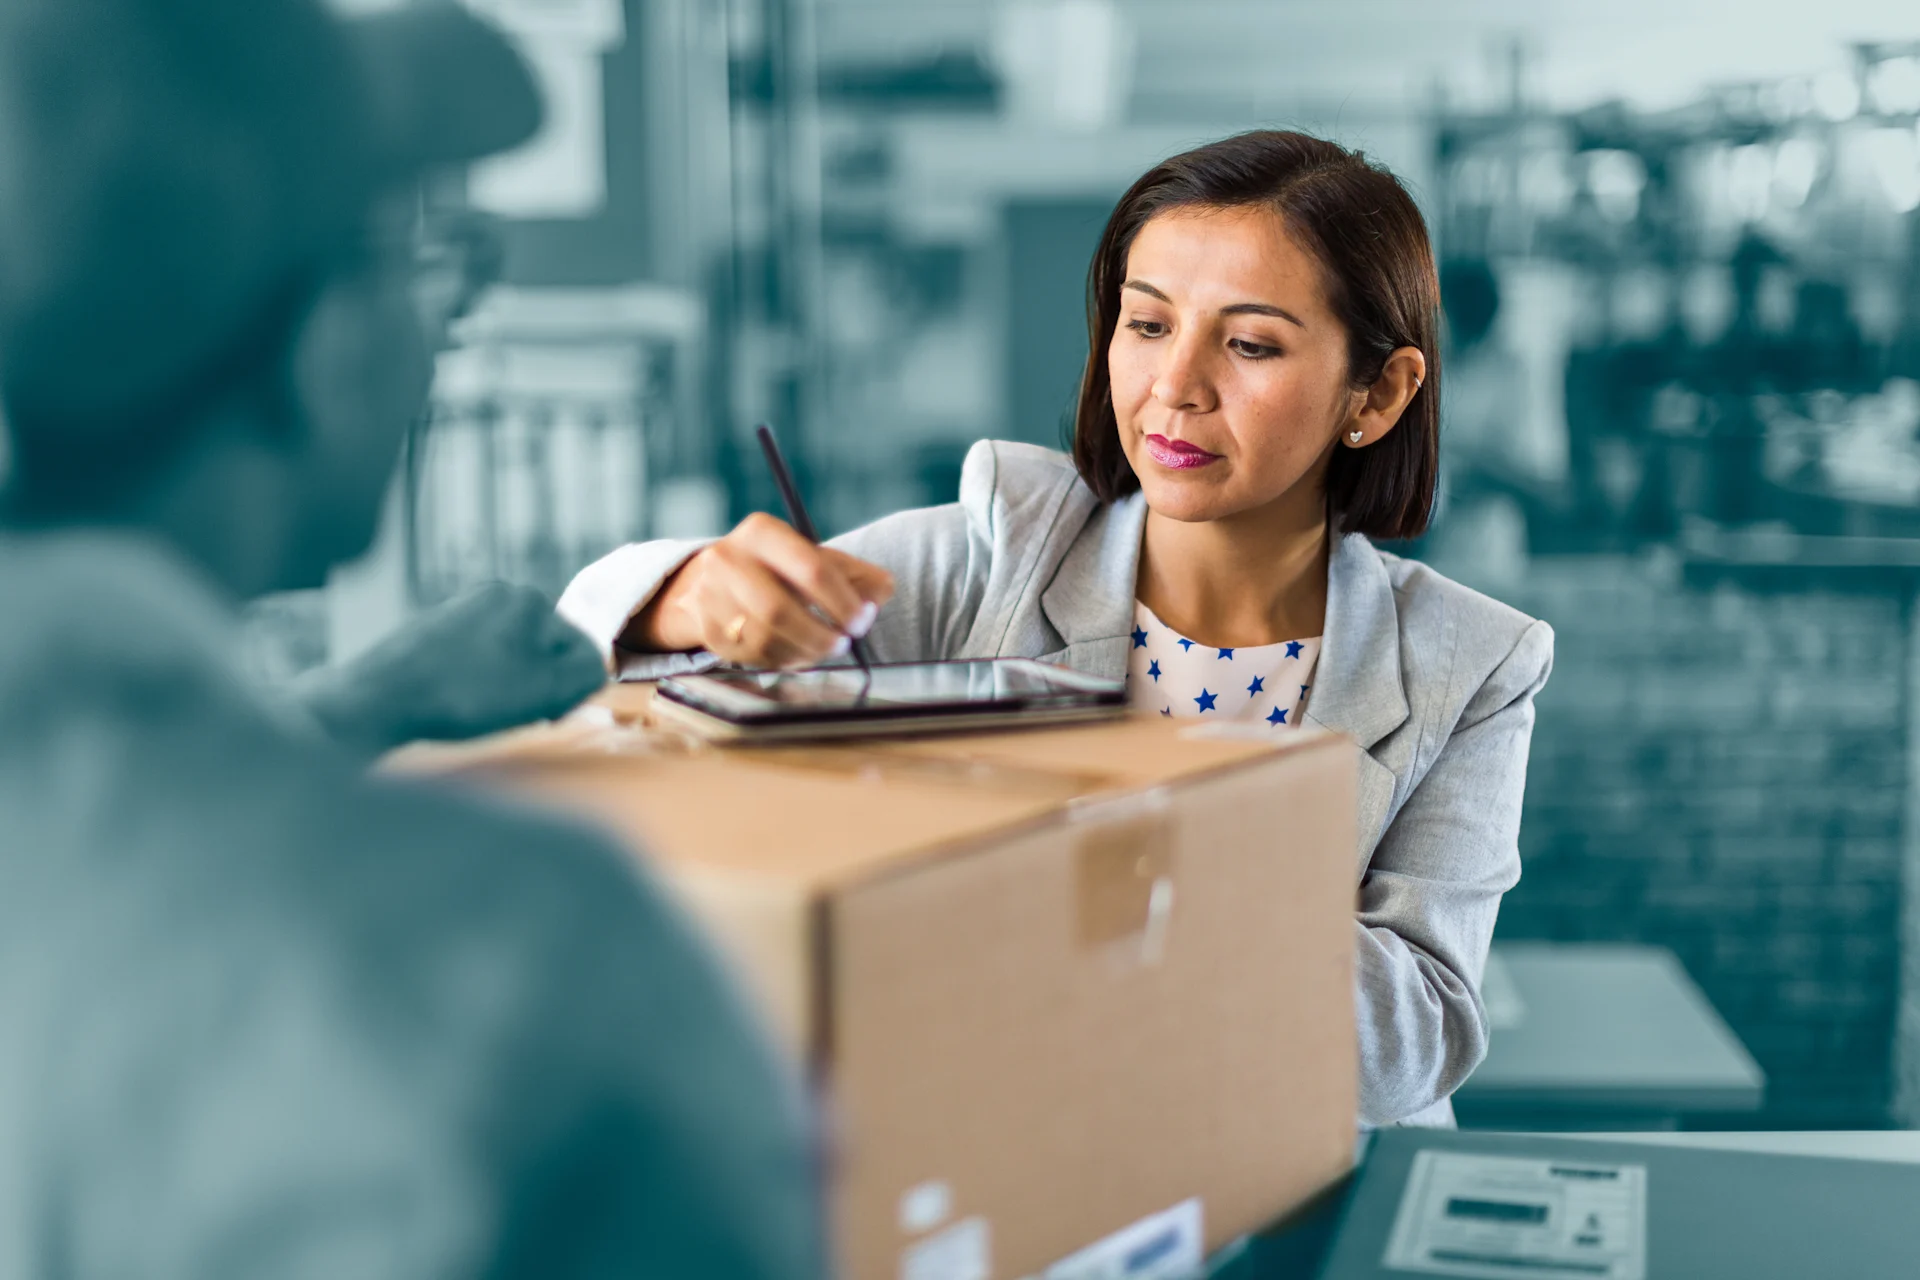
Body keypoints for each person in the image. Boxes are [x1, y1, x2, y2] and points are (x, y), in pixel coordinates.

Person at [0, 2, 824, 1276]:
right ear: (318, 350)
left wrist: (351, 705)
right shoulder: (508, 969)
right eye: (425, 259)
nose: (443, 325)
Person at [562, 130, 1555, 1128]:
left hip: (1293, 1190)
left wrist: (1102, 863)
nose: (1177, 384)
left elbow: (1414, 1038)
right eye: (1148, 324)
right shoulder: (993, 557)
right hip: (999, 1165)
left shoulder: (1469, 665)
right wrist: (687, 593)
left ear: (1376, 393)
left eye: (1249, 344)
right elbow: (590, 661)